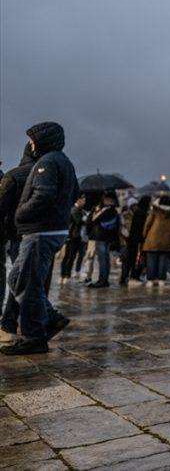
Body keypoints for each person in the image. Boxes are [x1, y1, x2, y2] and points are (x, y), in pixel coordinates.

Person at [1, 122, 78, 355]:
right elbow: (75, 193)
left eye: (33, 140)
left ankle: (35, 337)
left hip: (40, 231)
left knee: (26, 283)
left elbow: (43, 195)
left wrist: (20, 213)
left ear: (43, 141)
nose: (31, 145)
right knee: (19, 278)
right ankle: (50, 318)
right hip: (52, 230)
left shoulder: (47, 163)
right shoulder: (64, 162)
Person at [0, 142, 36, 344]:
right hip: (40, 233)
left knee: (17, 277)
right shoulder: (54, 169)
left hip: (15, 233)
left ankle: (9, 323)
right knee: (28, 277)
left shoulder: (13, 175)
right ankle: (33, 320)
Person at [142, 196, 170, 286]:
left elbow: (148, 223)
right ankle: (161, 279)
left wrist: (144, 235)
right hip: (167, 240)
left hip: (152, 239)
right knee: (163, 261)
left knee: (151, 260)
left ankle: (150, 279)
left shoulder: (155, 211)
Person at [87, 191, 120, 288]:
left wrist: (97, 211)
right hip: (108, 238)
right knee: (105, 259)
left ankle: (102, 280)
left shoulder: (107, 210)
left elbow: (94, 220)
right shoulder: (114, 211)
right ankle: (104, 279)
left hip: (101, 237)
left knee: (102, 259)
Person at [59, 194, 88, 285]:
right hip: (71, 237)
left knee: (73, 257)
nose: (84, 202)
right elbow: (78, 221)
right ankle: (63, 275)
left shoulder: (81, 211)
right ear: (78, 200)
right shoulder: (74, 210)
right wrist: (85, 218)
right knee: (68, 257)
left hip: (78, 237)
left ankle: (67, 275)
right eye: (83, 200)